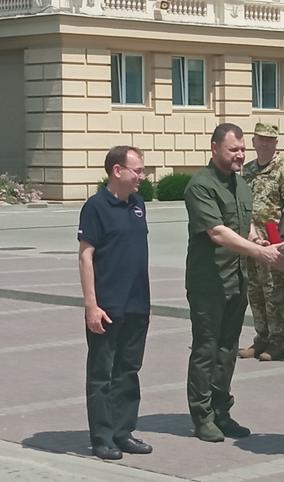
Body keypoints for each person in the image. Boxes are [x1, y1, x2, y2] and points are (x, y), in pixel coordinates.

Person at [184, 123, 284, 442]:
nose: (240, 155)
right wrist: (261, 253)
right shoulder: (200, 186)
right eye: (233, 150)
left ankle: (221, 410)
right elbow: (218, 232)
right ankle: (202, 416)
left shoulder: (241, 184)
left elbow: (243, 227)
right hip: (209, 283)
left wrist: (262, 241)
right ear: (215, 147)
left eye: (243, 149)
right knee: (206, 349)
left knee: (227, 349)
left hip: (236, 279)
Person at [78, 145, 153, 460]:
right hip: (107, 307)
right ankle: (102, 438)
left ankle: (124, 432)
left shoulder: (138, 204)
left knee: (128, 371)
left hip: (137, 305)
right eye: (137, 170)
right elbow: (85, 256)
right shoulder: (95, 207)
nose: (142, 176)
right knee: (102, 374)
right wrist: (91, 305)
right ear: (116, 171)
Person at [239, 123, 284, 361]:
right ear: (253, 142)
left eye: (269, 140)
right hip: (251, 241)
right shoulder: (248, 170)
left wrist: (282, 239)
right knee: (254, 292)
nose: (264, 144)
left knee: (275, 293)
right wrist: (251, 236)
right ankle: (261, 336)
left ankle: (278, 341)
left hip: (273, 239)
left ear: (276, 143)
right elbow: (243, 207)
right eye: (260, 139)